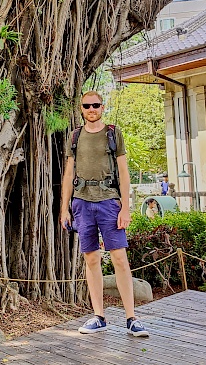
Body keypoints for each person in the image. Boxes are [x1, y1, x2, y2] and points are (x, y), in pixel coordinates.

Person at [60, 91, 149, 337]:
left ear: (102, 107)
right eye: (87, 105)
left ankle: (131, 318)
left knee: (119, 258)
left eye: (95, 105)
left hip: (109, 201)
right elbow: (68, 174)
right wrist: (64, 208)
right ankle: (99, 316)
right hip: (82, 203)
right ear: (81, 108)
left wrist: (126, 207)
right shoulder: (75, 136)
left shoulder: (113, 133)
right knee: (91, 259)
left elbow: (124, 172)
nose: (91, 109)